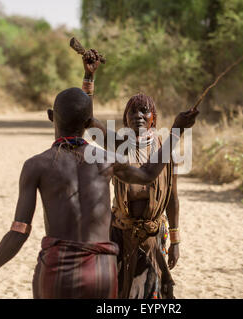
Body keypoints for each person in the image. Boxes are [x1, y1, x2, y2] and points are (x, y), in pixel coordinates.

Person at [0, 64, 199, 298]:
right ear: (89, 125)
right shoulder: (107, 160)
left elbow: (18, 232)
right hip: (101, 274)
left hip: (56, 274)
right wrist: (177, 129)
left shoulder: (36, 165)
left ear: (51, 117)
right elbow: (148, 174)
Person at [82, 50, 183, 299]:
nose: (138, 116)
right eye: (133, 112)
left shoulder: (164, 149)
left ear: (153, 119)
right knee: (119, 293)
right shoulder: (118, 144)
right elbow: (86, 120)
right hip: (120, 233)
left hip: (153, 235)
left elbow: (172, 197)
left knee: (151, 294)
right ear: (126, 119)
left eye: (144, 112)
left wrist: (176, 241)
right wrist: (89, 76)